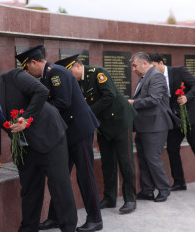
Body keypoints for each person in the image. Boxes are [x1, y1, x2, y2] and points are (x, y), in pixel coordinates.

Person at [0, 67, 77, 232]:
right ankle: (28, 228)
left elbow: (41, 91)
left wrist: (26, 119)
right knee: (30, 190)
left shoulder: (14, 77)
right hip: (24, 148)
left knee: (60, 187)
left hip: (49, 138)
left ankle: (68, 228)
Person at [16, 45, 103, 232]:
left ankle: (95, 218)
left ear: (33, 63)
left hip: (79, 131)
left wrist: (34, 112)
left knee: (84, 175)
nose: (28, 73)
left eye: (27, 68)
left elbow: (62, 102)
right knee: (59, 177)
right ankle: (55, 218)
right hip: (65, 134)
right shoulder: (48, 75)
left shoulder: (56, 73)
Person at [55, 54, 138, 214]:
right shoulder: (78, 83)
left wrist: (87, 114)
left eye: (70, 73)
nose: (70, 78)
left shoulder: (98, 73)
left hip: (120, 121)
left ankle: (130, 199)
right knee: (107, 162)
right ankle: (110, 197)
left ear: (77, 66)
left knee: (125, 161)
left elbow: (109, 96)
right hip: (102, 125)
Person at [149, 53, 195, 194]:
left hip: (191, 115)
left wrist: (186, 97)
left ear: (161, 63)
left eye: (153, 66)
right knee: (172, 148)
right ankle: (179, 182)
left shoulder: (179, 71)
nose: (152, 70)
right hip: (175, 118)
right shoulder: (154, 78)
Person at [128, 52, 180, 202]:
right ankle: (147, 190)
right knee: (144, 159)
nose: (133, 70)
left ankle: (164, 189)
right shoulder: (144, 77)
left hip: (155, 126)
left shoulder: (156, 76)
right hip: (144, 126)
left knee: (152, 158)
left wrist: (133, 103)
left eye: (135, 66)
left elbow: (154, 99)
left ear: (145, 63)